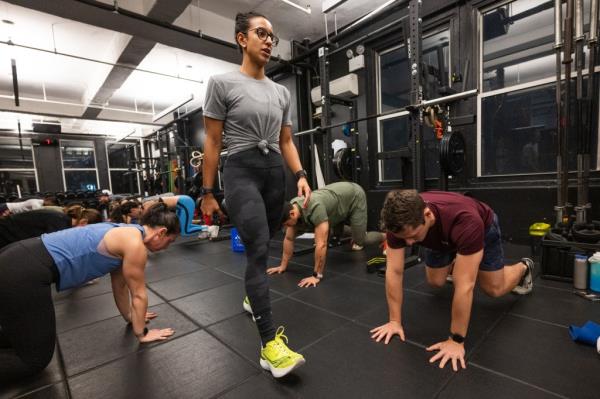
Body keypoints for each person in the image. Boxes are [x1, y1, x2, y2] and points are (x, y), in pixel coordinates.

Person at [200, 11, 311, 378]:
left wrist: (300, 174)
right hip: (241, 171)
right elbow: (213, 142)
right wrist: (208, 192)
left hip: (274, 173)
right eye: (261, 33)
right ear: (241, 38)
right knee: (259, 247)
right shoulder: (221, 83)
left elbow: (286, 141)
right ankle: (269, 346)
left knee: (265, 245)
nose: (268, 41)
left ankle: (253, 294)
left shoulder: (281, 92)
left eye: (272, 37)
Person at [0, 202, 179, 381]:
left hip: (16, 257)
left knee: (16, 337)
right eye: (169, 241)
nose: (167, 247)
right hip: (24, 271)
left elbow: (120, 287)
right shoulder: (135, 245)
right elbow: (139, 294)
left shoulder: (127, 231)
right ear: (161, 232)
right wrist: (143, 334)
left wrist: (131, 317)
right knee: (33, 361)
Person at [370, 190, 534, 372]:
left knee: (493, 288)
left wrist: (456, 340)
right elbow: (394, 270)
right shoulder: (399, 223)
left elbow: (465, 286)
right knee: (435, 281)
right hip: (439, 235)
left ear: (427, 214)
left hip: (481, 228)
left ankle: (524, 267)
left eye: (414, 236)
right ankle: (462, 258)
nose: (409, 243)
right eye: (404, 238)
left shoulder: (467, 222)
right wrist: (394, 321)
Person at [268, 182, 384, 287]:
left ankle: (385, 237)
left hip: (354, 195)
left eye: (286, 224)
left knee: (360, 240)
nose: (287, 227)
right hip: (337, 202)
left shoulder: (314, 209)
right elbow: (288, 239)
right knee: (328, 232)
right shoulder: (292, 207)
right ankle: (354, 231)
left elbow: (321, 245)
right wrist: (282, 266)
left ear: (292, 214)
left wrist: (316, 276)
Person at [0, 205, 101, 249]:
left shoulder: (61, 218)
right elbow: (53, 250)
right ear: (83, 222)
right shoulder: (59, 224)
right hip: (4, 233)